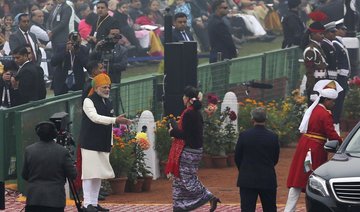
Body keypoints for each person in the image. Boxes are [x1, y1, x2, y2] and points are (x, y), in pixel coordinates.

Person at [284, 80, 343, 212]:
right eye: (332, 101)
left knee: (297, 180)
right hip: (314, 149)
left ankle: (289, 209)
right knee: (315, 181)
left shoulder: (314, 109)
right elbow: (331, 134)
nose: (333, 104)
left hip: (305, 145)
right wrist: (342, 143)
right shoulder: (325, 114)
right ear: (326, 100)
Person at [79, 73, 131, 212]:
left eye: (108, 87)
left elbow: (107, 124)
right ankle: (86, 204)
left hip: (103, 142)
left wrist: (111, 142)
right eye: (104, 87)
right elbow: (95, 118)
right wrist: (115, 120)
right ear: (96, 88)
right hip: (90, 142)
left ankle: (94, 203)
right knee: (89, 174)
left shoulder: (108, 101)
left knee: (98, 174)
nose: (107, 89)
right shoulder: (88, 101)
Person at [166, 86, 220, 212]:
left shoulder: (189, 114)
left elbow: (186, 135)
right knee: (179, 179)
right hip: (194, 150)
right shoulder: (194, 113)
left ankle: (208, 196)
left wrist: (172, 132)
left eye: (184, 96)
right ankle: (179, 206)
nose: (182, 98)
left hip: (189, 151)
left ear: (188, 99)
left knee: (186, 179)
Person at [22, 121, 77, 212]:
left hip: (34, 199)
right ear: (54, 134)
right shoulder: (62, 152)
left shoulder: (29, 150)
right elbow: (73, 174)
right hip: (55, 200)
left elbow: (24, 175)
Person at [235, 107, 280, 212]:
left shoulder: (244, 135)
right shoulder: (273, 137)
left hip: (247, 178)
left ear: (252, 120)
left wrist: (244, 169)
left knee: (247, 208)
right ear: (266, 120)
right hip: (267, 177)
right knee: (270, 208)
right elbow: (275, 158)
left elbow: (237, 157)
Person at [300, 11, 328, 105]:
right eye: (320, 34)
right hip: (315, 84)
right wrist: (312, 91)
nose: (323, 36)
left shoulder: (317, 47)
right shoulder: (310, 50)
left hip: (321, 82)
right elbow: (310, 72)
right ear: (312, 35)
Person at [332, 19, 350, 133]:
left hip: (343, 77)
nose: (345, 31)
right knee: (337, 102)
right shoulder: (335, 43)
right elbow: (337, 61)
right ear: (336, 30)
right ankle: (334, 125)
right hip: (339, 78)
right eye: (342, 29)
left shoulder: (339, 42)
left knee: (340, 102)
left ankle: (336, 124)